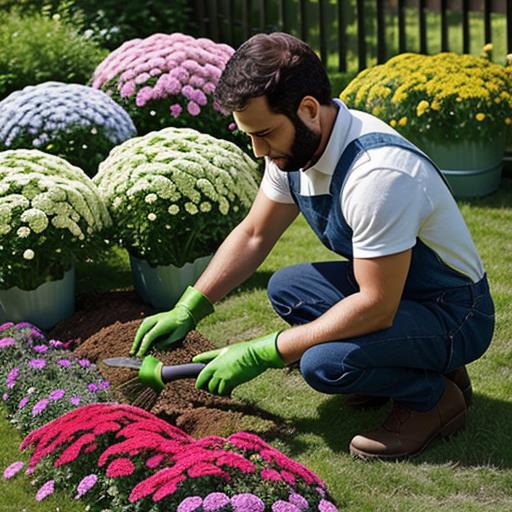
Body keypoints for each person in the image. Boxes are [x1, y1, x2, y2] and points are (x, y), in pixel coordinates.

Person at [129, 32, 495, 460]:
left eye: (264, 133)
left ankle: (432, 399)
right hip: (404, 295)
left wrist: (265, 351)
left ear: (307, 109)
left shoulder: (378, 176)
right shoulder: (293, 149)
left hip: (454, 311)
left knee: (323, 363)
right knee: (290, 287)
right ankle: (414, 364)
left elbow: (377, 305)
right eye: (250, 135)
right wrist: (190, 305)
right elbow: (255, 234)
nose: (258, 150)